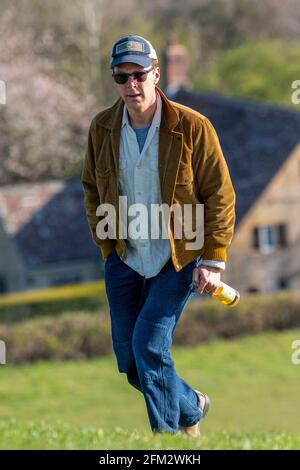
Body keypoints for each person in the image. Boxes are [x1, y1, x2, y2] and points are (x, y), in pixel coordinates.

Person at [81, 35, 235, 436]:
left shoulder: (193, 126)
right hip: (124, 256)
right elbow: (91, 189)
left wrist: (214, 260)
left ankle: (166, 446)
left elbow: (220, 194)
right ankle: (191, 405)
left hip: (178, 255)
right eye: (122, 76)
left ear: (156, 74)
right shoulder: (101, 127)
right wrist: (106, 243)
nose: (131, 85)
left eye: (139, 75)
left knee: (149, 347)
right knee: (131, 362)